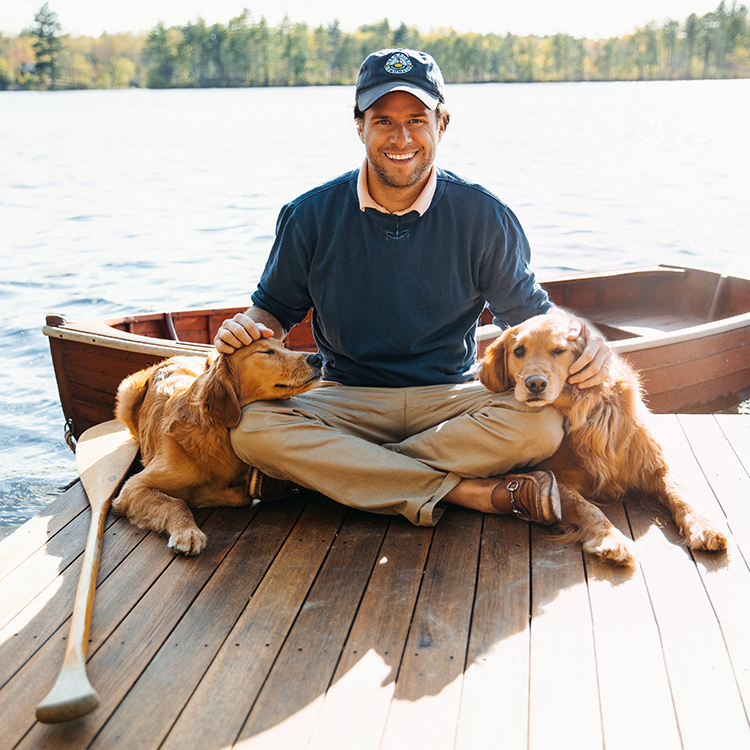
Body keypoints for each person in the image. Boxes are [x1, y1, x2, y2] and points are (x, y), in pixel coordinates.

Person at [215, 48, 611, 528]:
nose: (401, 138)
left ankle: (336, 471)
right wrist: (244, 328)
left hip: (451, 397)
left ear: (441, 124)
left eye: (417, 120)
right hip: (346, 396)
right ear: (359, 126)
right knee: (253, 430)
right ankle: (470, 493)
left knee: (541, 427)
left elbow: (530, 315)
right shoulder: (310, 215)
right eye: (383, 121)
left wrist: (586, 338)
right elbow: (271, 311)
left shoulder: (484, 216)